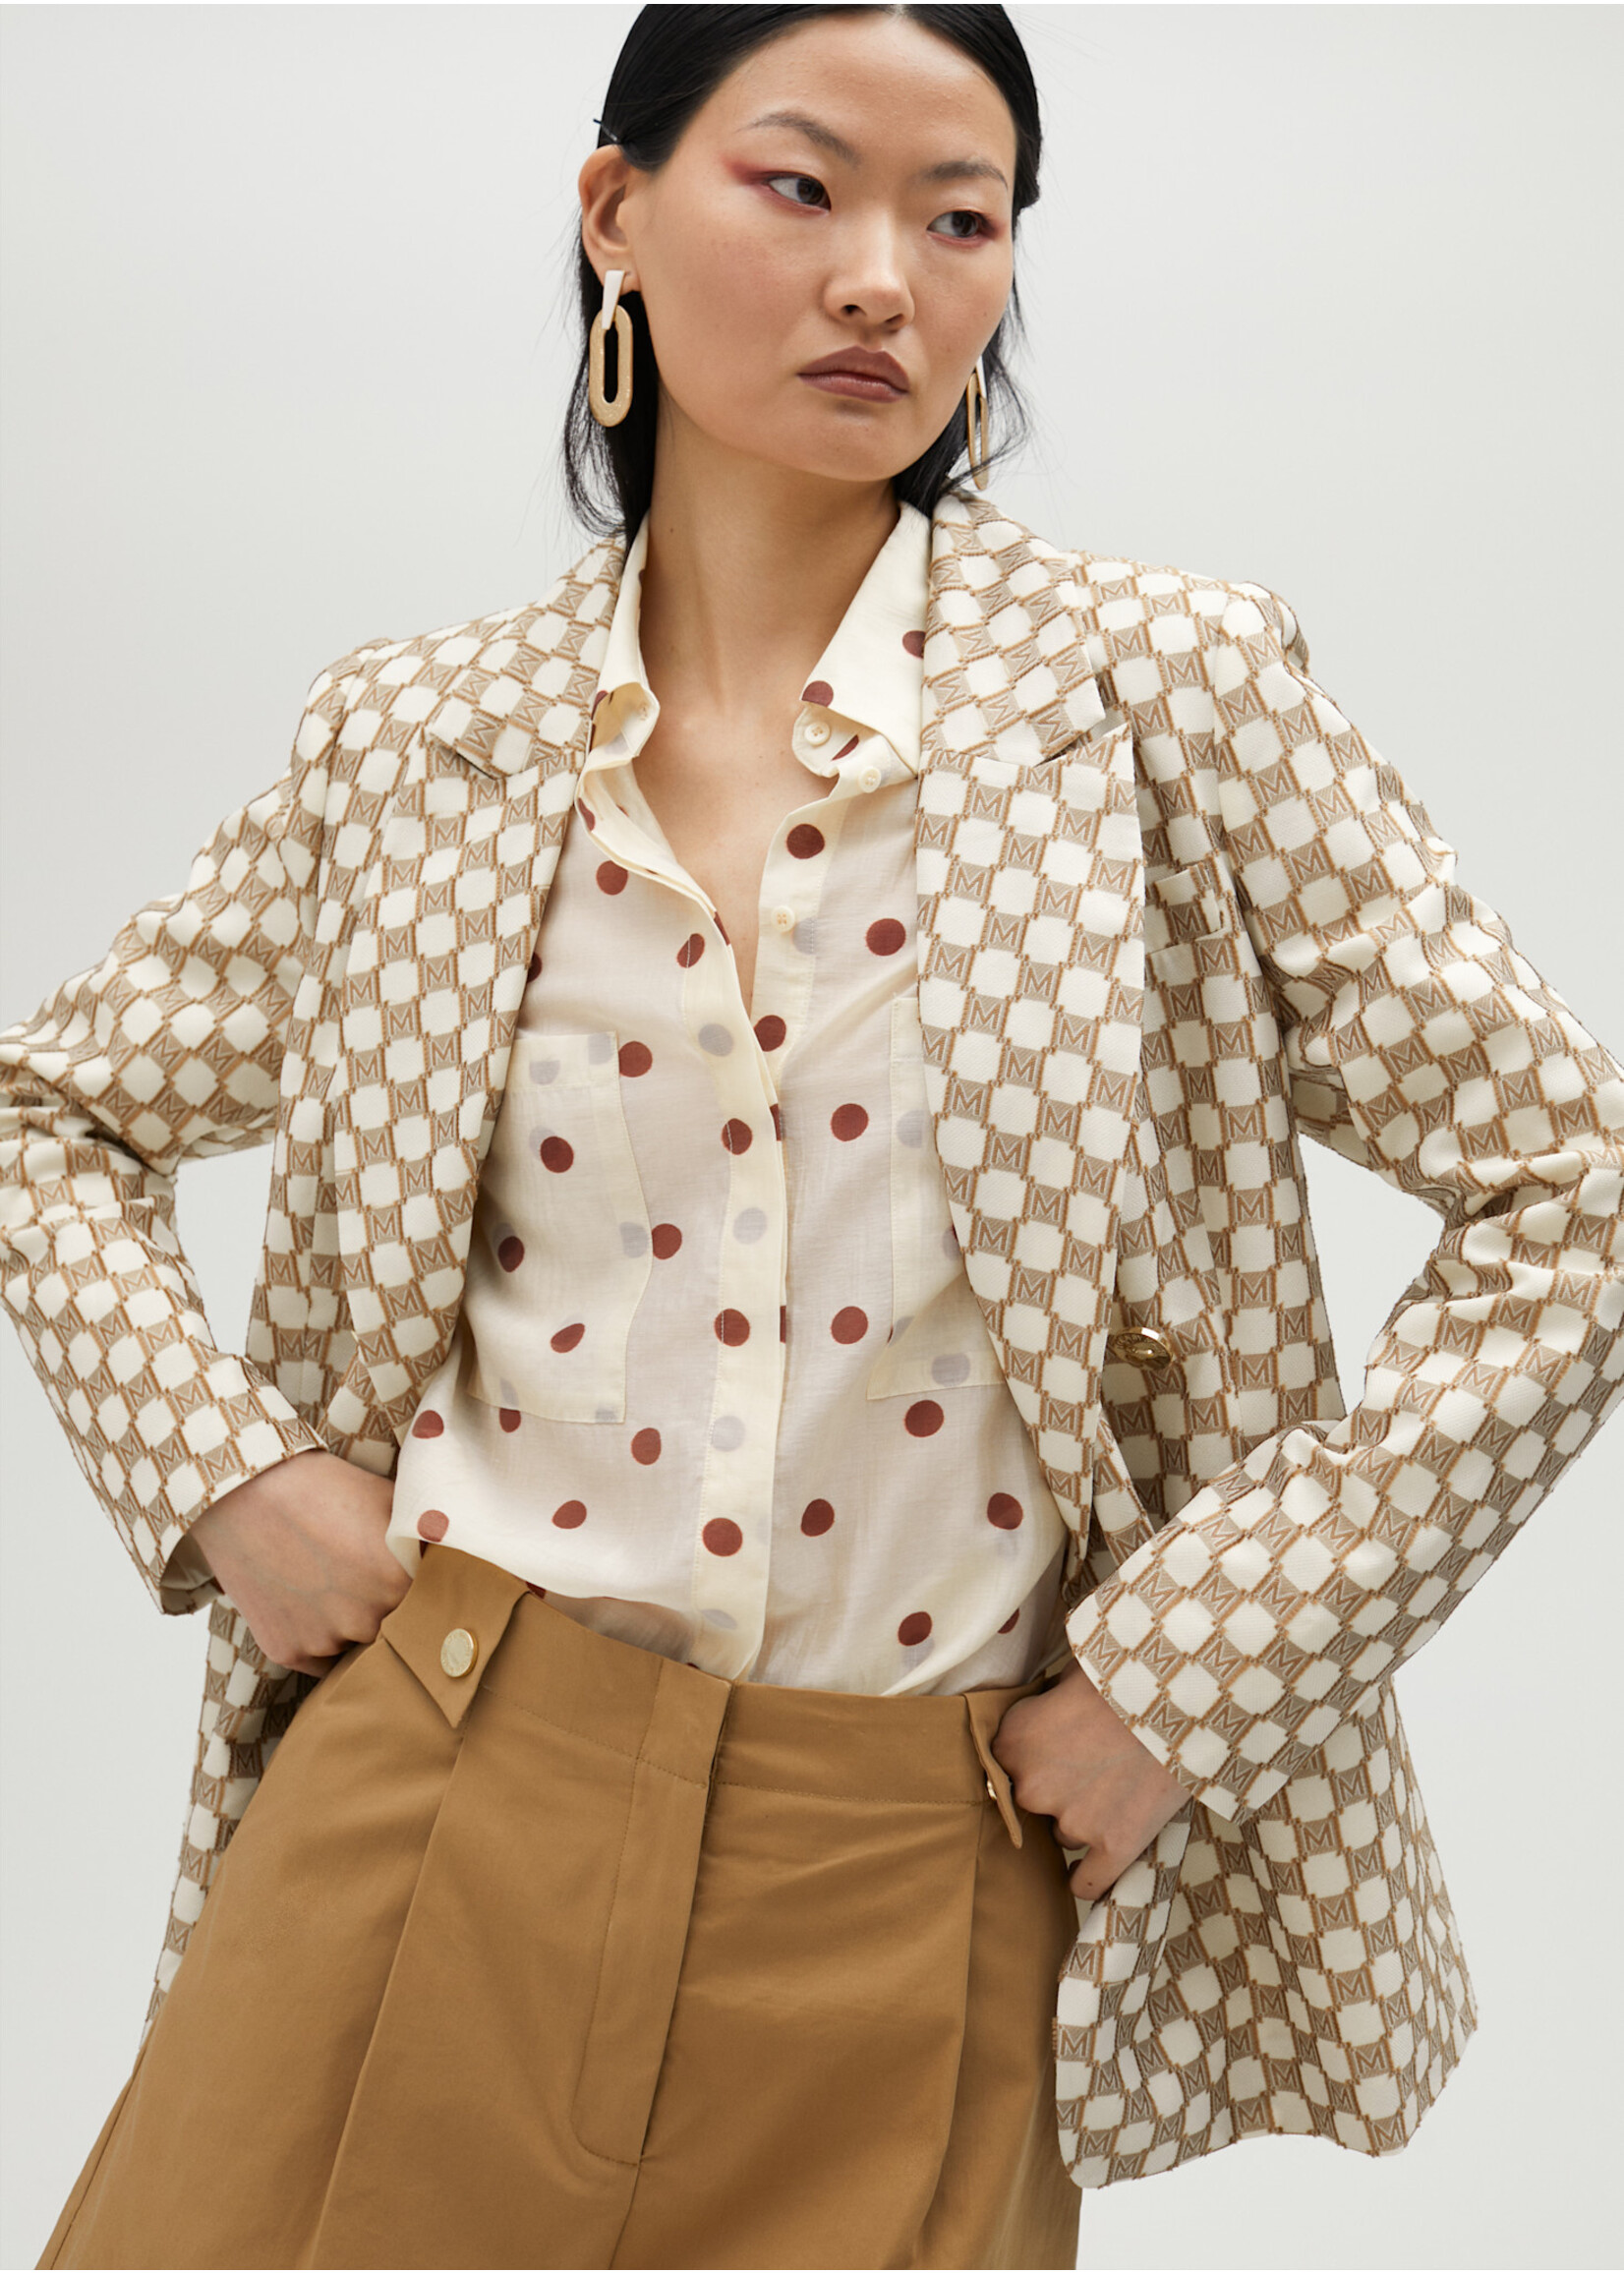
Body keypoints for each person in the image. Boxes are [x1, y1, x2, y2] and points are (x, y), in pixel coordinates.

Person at [4, 4, 1621, 2268]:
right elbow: (48, 1114)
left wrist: (1195, 1666)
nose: (885, 276)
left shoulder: (1160, 696)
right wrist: (223, 1474)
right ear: (615, 212)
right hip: (432, 1787)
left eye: (961, 219)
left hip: (913, 1875)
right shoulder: (419, 739)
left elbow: (1575, 1192)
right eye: (802, 184)